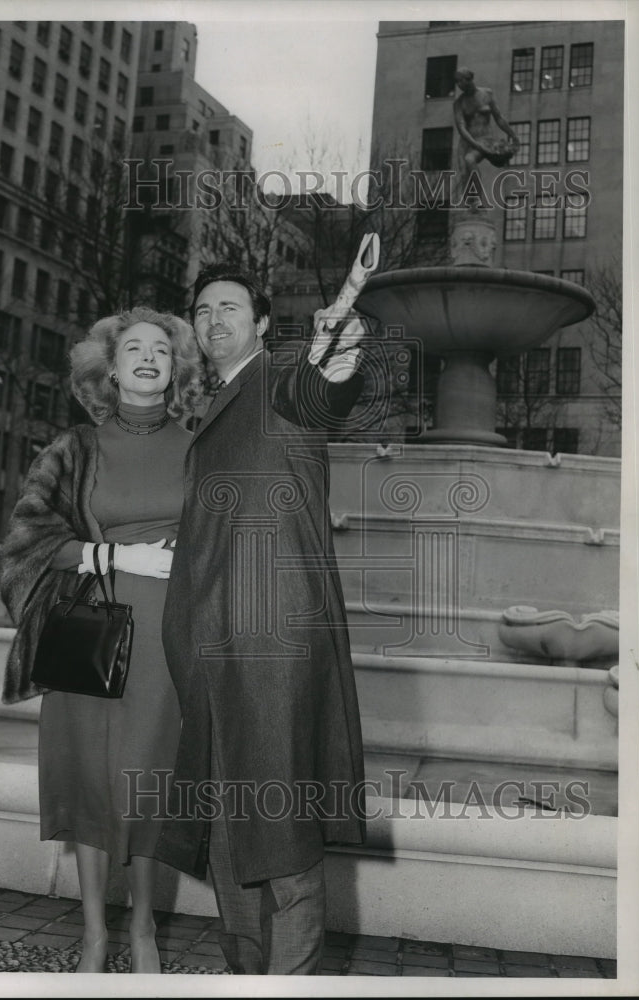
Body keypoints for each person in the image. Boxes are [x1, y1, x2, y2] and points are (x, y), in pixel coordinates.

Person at [153, 263, 369, 975]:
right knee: (226, 837)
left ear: (263, 322)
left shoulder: (279, 380)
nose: (216, 320)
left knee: (282, 843)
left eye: (231, 307)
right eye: (204, 310)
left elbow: (323, 389)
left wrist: (337, 352)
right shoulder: (215, 405)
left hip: (272, 650)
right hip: (215, 657)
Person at [0, 306, 204, 973]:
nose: (148, 359)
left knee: (148, 779)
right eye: (134, 350)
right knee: (89, 779)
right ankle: (93, 935)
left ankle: (143, 928)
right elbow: (28, 539)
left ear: (176, 372)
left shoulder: (201, 446)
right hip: (91, 629)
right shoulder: (73, 449)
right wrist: (109, 559)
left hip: (171, 637)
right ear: (109, 371)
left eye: (162, 352)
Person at [453, 66, 520, 190]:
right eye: (456, 82)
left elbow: (498, 117)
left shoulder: (486, 94)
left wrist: (512, 134)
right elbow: (461, 129)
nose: (458, 84)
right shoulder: (459, 103)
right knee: (468, 161)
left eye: (460, 80)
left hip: (488, 139)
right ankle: (478, 197)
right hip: (471, 141)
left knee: (502, 155)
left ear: (469, 79)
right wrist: (477, 145)